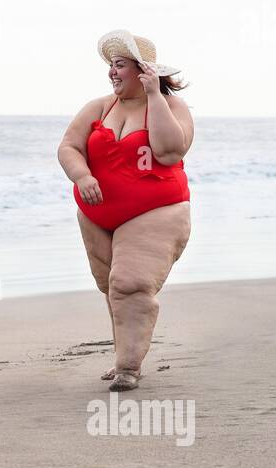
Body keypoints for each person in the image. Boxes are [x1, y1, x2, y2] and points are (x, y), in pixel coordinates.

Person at [57, 30, 194, 391]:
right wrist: (82, 175)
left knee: (129, 284)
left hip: (156, 210)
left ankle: (128, 368)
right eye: (111, 66)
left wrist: (153, 95)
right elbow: (69, 147)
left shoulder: (171, 108)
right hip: (97, 216)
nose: (112, 73)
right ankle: (124, 355)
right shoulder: (99, 107)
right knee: (109, 287)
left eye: (120, 65)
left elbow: (170, 152)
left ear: (143, 71)